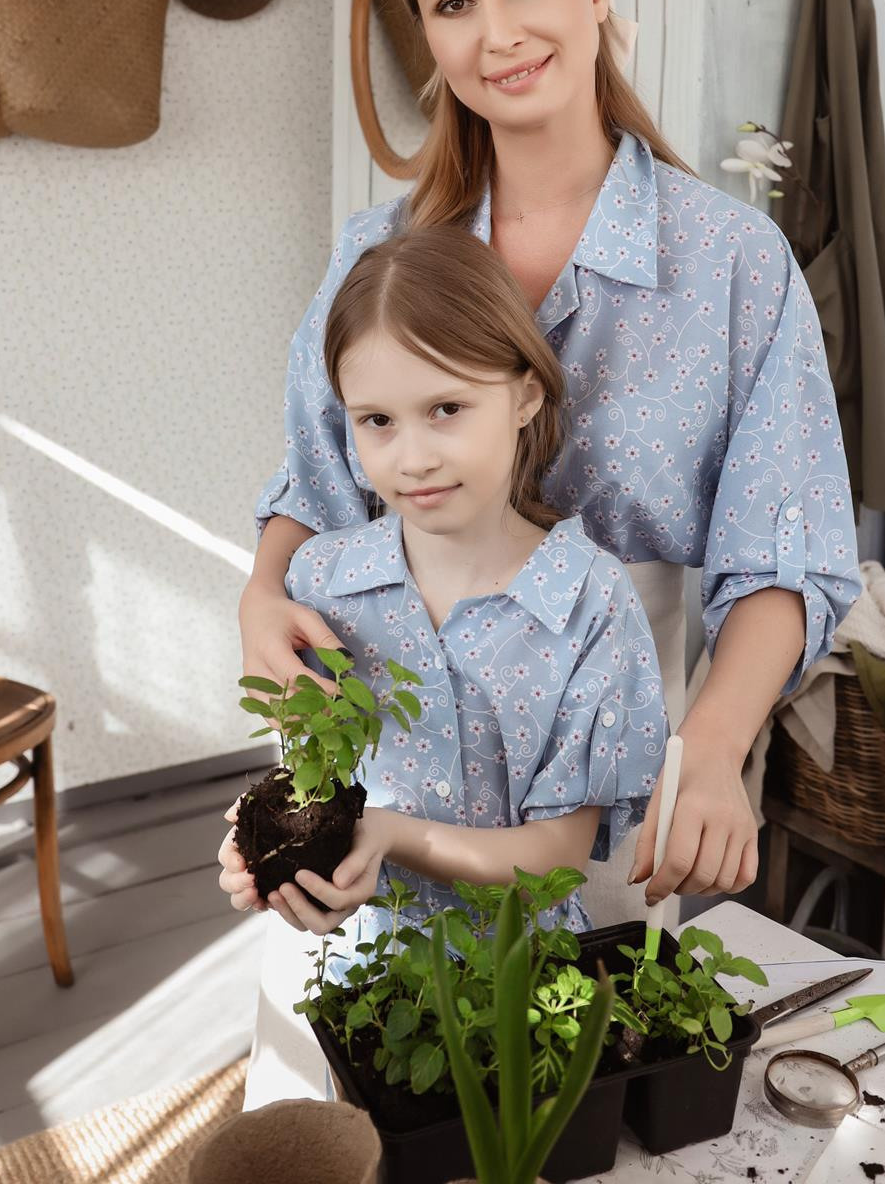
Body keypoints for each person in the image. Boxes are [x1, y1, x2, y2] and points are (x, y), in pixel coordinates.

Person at [225, 0, 860, 931]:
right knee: (357, 1062)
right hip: (395, 727)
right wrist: (259, 596)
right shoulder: (377, 251)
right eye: (454, 4)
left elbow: (786, 544)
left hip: (617, 752)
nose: (500, 34)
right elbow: (316, 479)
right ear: (428, 37)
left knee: (569, 1053)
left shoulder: (733, 264)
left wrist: (709, 746)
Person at [223, 226, 665, 958]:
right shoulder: (319, 585)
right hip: (360, 977)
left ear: (524, 395)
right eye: (377, 422)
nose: (414, 457)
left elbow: (557, 852)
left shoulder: (590, 601)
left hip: (526, 984)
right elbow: (312, 780)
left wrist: (393, 836)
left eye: (446, 409)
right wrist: (264, 844)